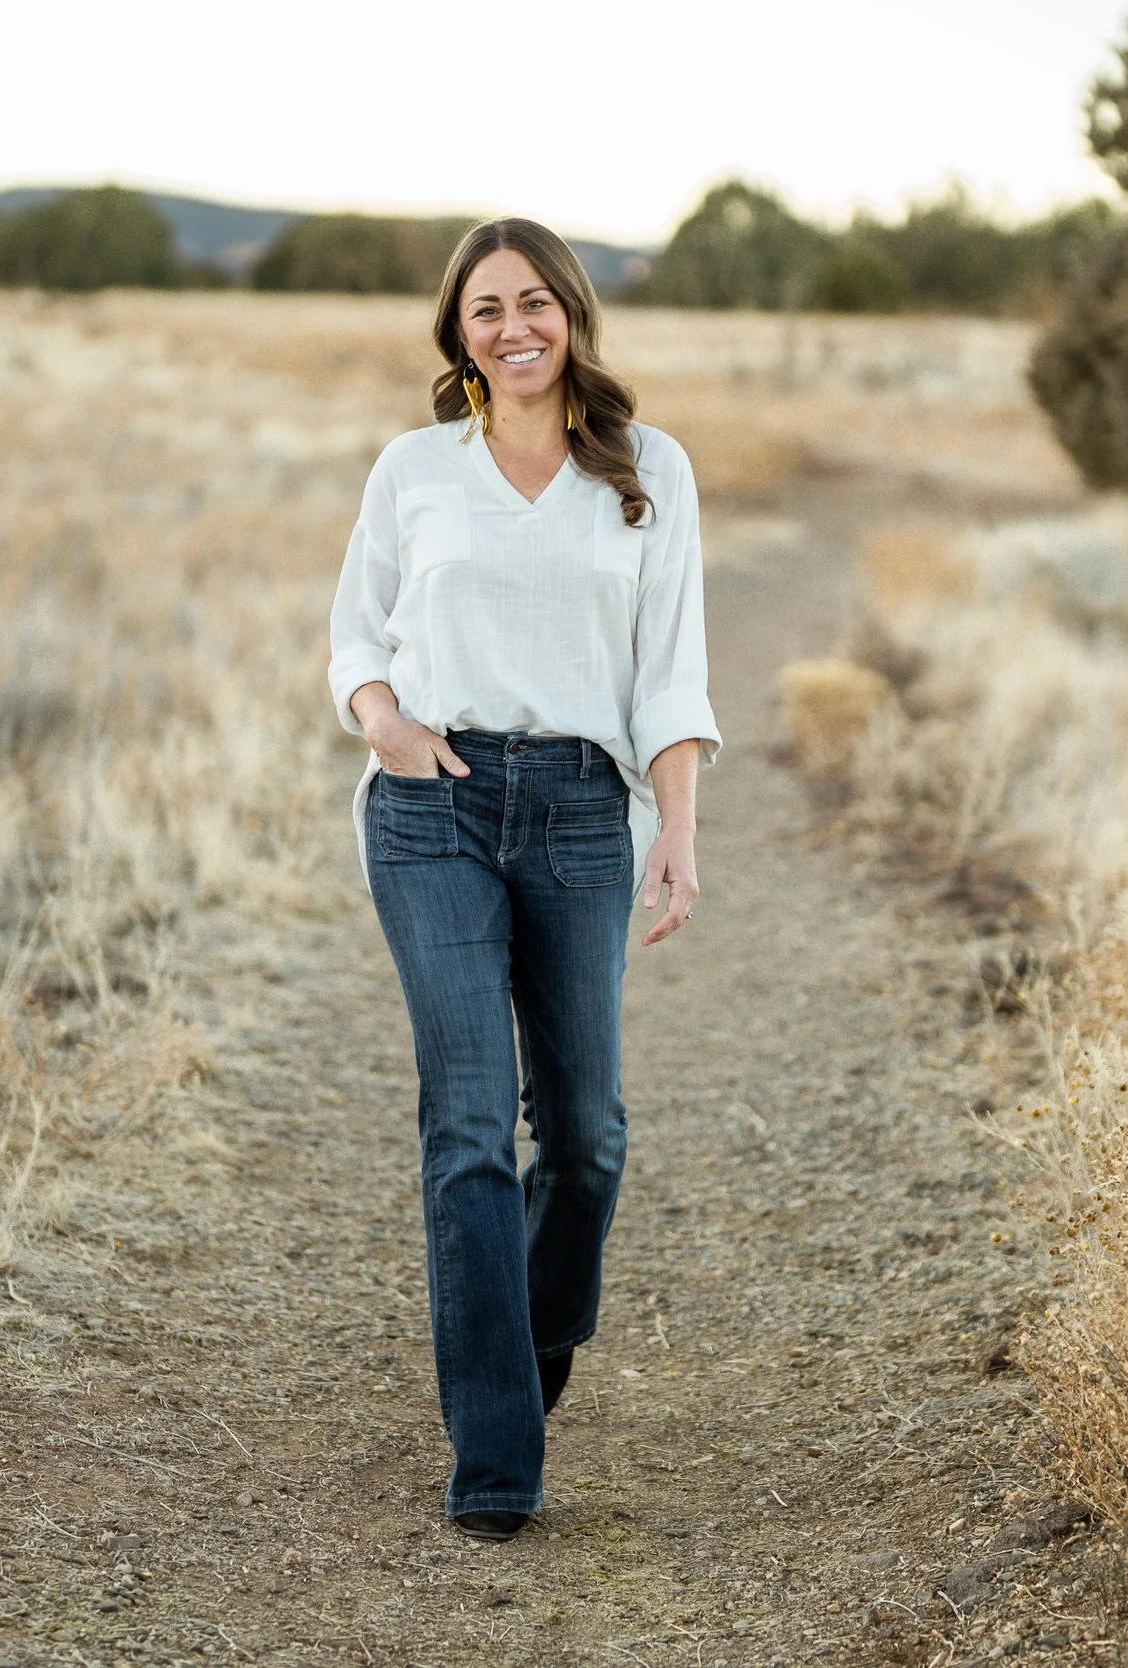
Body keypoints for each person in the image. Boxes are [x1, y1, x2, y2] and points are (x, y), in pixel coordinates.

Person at [325, 218, 719, 1541]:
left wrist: (677, 826)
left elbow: (670, 673)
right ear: (459, 334)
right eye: (487, 309)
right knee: (471, 1130)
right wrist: (382, 721)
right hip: (430, 808)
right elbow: (353, 636)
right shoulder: (416, 470)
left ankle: (530, 1343)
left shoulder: (646, 471)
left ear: (574, 316)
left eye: (535, 303)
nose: (514, 328)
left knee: (591, 1138)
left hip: (578, 814)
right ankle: (500, 1457)